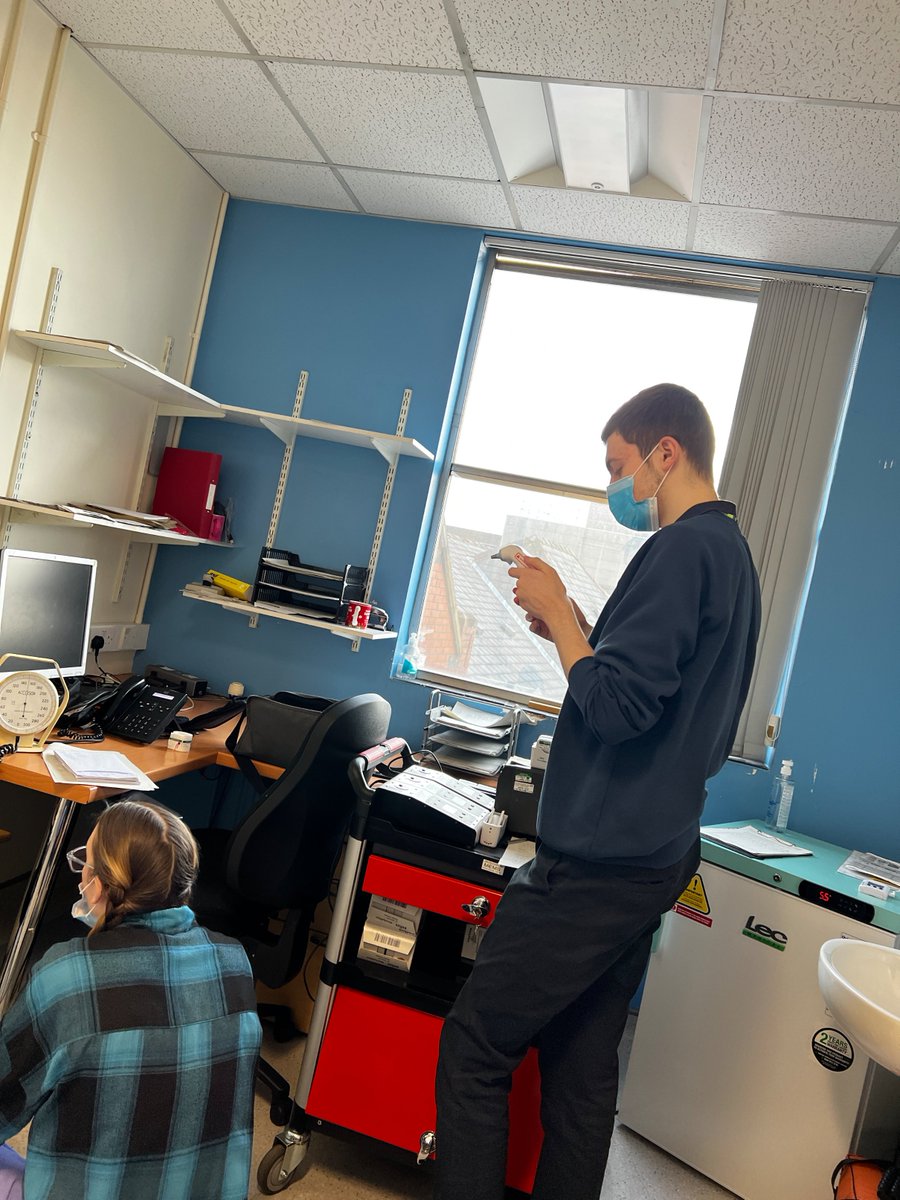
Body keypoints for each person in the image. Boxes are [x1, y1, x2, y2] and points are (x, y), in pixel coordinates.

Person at [434, 383, 761, 1200]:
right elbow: (660, 695)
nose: (613, 485)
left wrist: (564, 620)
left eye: (618, 465)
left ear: (665, 453)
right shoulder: (733, 558)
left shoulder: (681, 550)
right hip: (653, 850)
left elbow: (616, 709)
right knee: (580, 1076)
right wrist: (570, 626)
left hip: (599, 861)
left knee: (476, 1046)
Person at [0, 799, 262, 1200]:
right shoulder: (235, 963)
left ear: (100, 885)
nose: (80, 878)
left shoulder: (67, 977)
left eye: (84, 864)